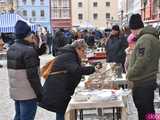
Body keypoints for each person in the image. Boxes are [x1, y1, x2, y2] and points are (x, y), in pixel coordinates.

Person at [39, 39, 98, 120]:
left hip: (59, 89)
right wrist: (92, 69)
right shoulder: (69, 55)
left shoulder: (69, 54)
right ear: (77, 48)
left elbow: (73, 70)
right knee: (61, 112)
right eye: (83, 51)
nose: (84, 53)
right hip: (57, 90)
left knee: (61, 112)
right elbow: (76, 70)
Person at [7, 20, 43, 120]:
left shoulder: (11, 48)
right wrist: (39, 93)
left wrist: (33, 46)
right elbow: (33, 76)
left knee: (18, 116)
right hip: (28, 93)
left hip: (17, 92)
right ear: (27, 34)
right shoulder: (28, 51)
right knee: (27, 117)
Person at [126, 14, 160, 120]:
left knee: (145, 111)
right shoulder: (149, 37)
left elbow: (142, 61)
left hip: (143, 82)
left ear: (133, 28)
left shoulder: (145, 39)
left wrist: (130, 74)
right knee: (148, 111)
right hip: (146, 81)